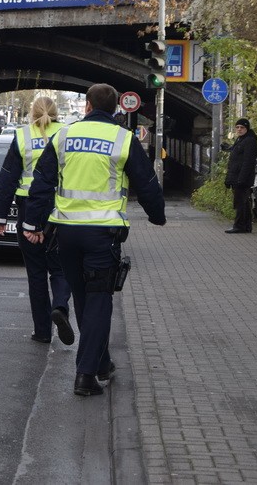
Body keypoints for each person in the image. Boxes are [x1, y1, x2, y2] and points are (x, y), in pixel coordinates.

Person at [21, 83, 165, 397]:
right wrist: (157, 215)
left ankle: (101, 364)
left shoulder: (63, 136)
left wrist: (32, 222)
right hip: (102, 235)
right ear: (115, 109)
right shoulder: (123, 139)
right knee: (99, 303)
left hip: (67, 234)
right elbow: (147, 182)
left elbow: (42, 182)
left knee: (85, 301)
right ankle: (85, 376)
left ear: (86, 106)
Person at [0, 96, 73, 346]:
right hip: (61, 209)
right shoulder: (69, 134)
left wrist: (0, 216)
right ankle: (60, 306)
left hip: (28, 208)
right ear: (56, 112)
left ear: (31, 113)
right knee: (60, 267)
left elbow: (8, 177)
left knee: (36, 273)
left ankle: (42, 331)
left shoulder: (22, 136)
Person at [224, 118, 257, 234]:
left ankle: (239, 225)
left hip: (241, 177)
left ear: (247, 128)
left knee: (240, 202)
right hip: (237, 176)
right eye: (237, 127)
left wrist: (241, 179)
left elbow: (248, 161)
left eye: (242, 127)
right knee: (243, 202)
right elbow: (234, 160)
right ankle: (246, 226)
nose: (239, 129)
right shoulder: (240, 140)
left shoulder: (249, 141)